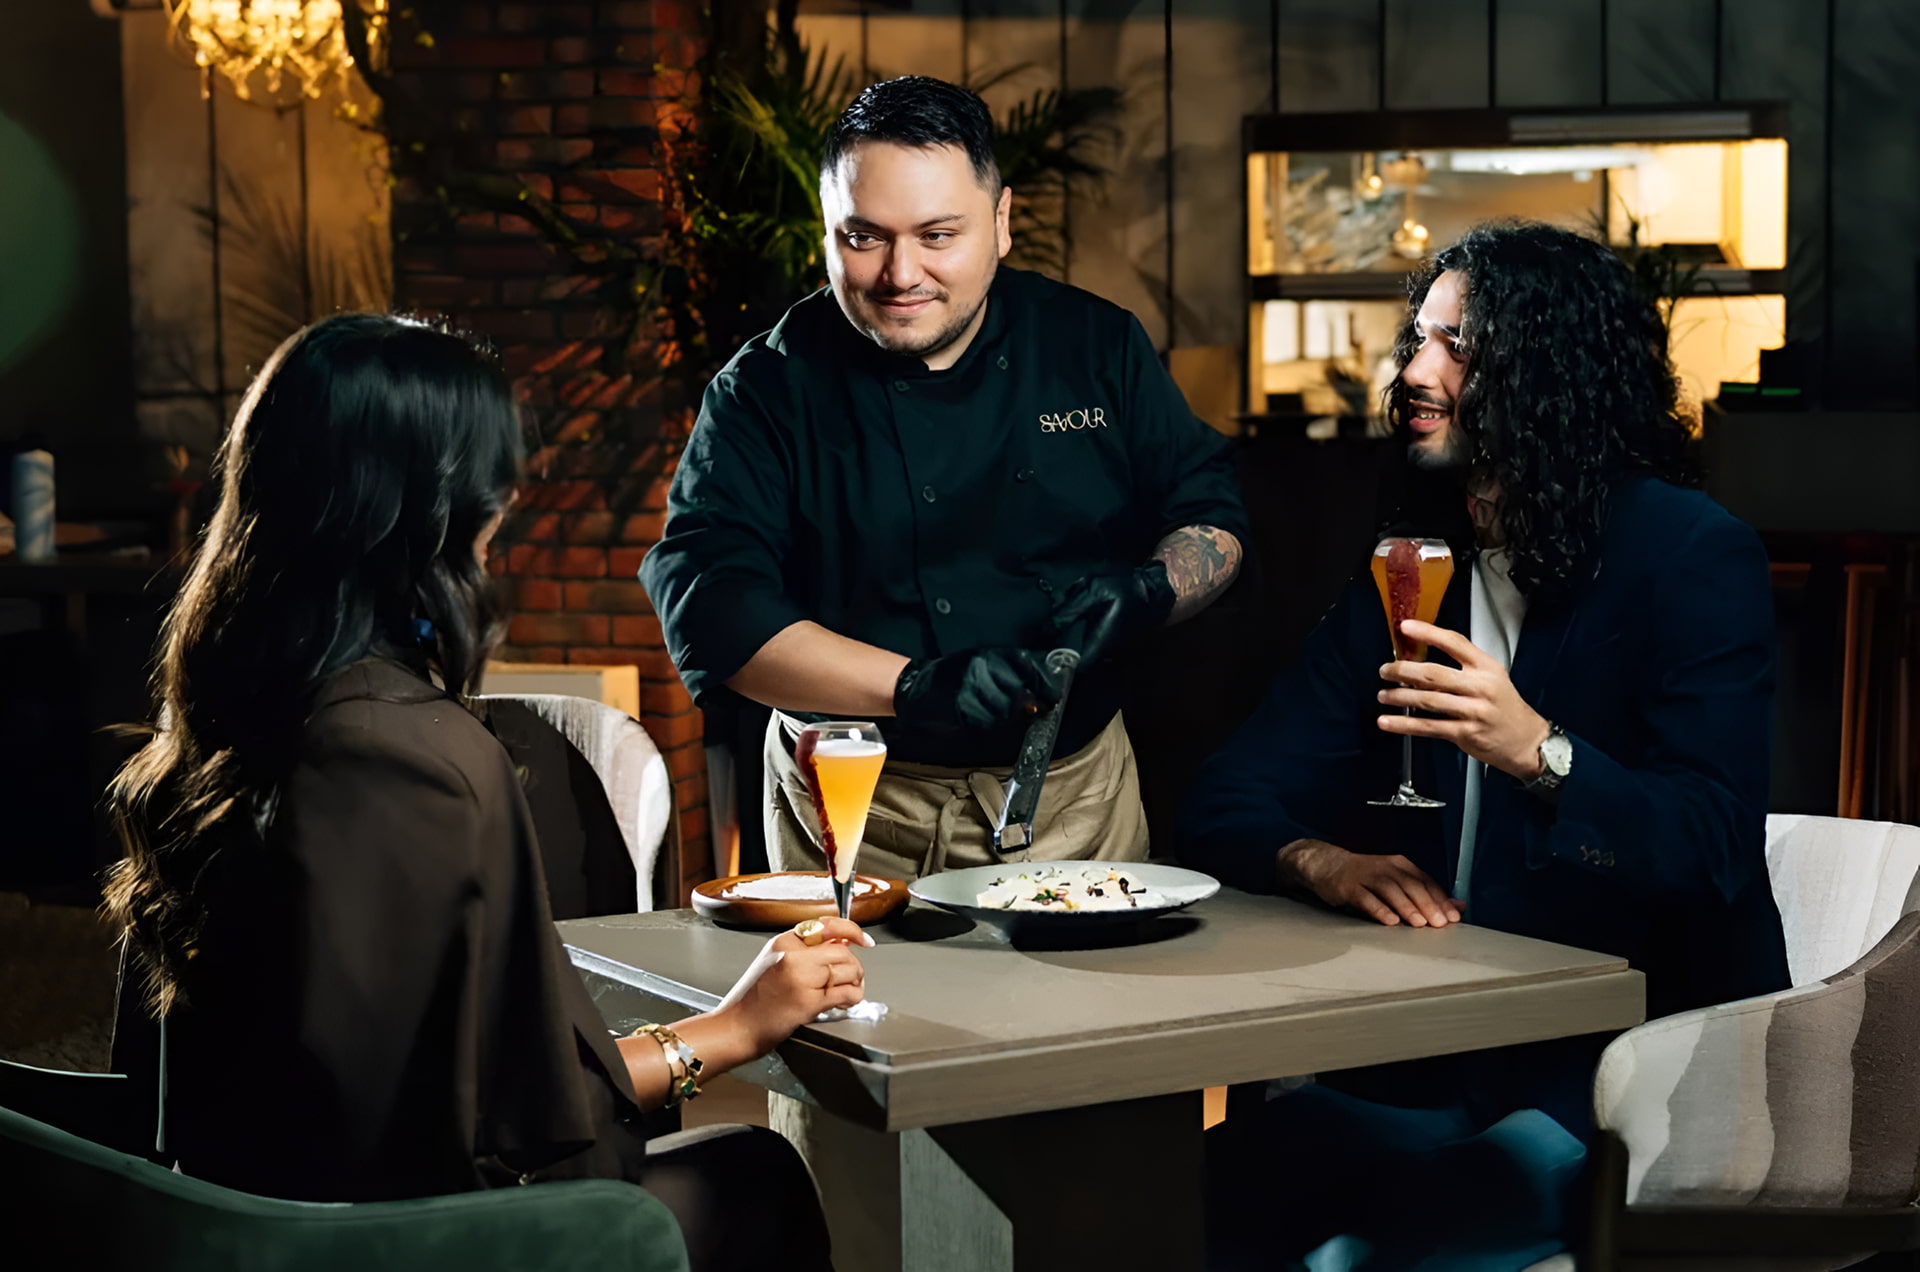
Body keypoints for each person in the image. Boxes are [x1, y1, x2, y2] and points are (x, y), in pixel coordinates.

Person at [102, 314, 863, 1272]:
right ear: (433, 509)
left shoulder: (214, 724)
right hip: (379, 1249)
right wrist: (736, 1029)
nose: (505, 505)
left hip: (219, 1220)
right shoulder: (413, 758)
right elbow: (531, 1142)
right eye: (491, 482)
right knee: (757, 1178)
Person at [1181, 222, 1791, 1270]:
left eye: (1457, 348)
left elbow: (1715, 845)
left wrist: (1540, 754)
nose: (1415, 374)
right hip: (1427, 1057)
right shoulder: (1415, 574)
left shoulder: (1690, 555)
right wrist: (1318, 860)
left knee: (1354, 1259)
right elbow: (1227, 793)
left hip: (1618, 1070)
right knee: (1189, 1192)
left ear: (1547, 372)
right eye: (1418, 340)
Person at [640, 76, 1249, 878]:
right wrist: (917, 686)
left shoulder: (1094, 347)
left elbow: (1213, 512)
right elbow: (714, 611)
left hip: (1077, 803)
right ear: (827, 230)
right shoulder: (766, 390)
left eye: (938, 235)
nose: (901, 274)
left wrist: (1151, 591)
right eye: (864, 238)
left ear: (1001, 223)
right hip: (854, 812)